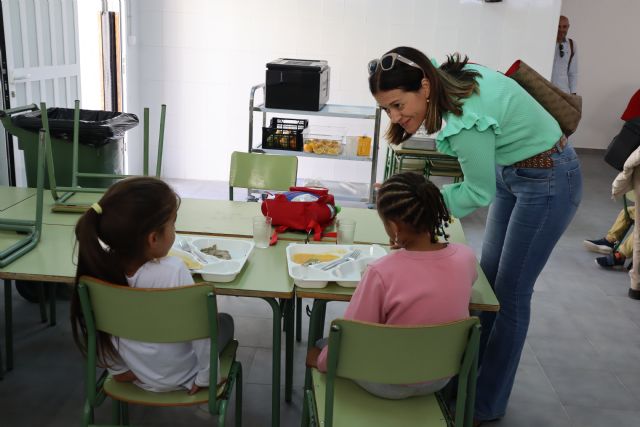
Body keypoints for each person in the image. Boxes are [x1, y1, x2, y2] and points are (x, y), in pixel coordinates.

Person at [367, 47, 582, 422]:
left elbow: (475, 193)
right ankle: (462, 381)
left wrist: (409, 210)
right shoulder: (445, 79)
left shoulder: (465, 117)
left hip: (548, 181)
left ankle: (484, 403)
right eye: (387, 109)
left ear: (424, 85)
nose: (396, 117)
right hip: (512, 173)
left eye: (399, 105)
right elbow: (481, 184)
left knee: (511, 296)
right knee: (489, 290)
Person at [313, 172, 478, 399]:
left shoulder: (381, 272)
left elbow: (351, 336)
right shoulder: (466, 257)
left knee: (324, 345)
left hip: (385, 382)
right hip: (440, 376)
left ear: (393, 226)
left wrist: (322, 361)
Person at [70, 176, 235, 394]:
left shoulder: (99, 269)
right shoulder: (174, 270)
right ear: (153, 239)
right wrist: (207, 378)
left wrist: (118, 369)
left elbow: (98, 330)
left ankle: (128, 369)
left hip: (137, 372)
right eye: (173, 224)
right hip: (182, 375)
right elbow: (202, 335)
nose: (175, 230)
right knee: (223, 322)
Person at [551, 15, 578, 94]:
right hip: (546, 90)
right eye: (559, 26)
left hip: (563, 93)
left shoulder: (572, 45)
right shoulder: (547, 43)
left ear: (568, 27)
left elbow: (573, 73)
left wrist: (573, 93)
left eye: (564, 27)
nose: (561, 29)